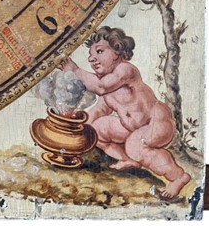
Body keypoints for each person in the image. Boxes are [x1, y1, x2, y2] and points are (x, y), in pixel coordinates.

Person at [63, 28, 189, 199]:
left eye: (99, 51)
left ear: (118, 51)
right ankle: (128, 159)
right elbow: (98, 111)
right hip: (133, 128)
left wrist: (75, 71)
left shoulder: (125, 70)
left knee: (135, 145)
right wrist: (79, 129)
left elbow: (101, 87)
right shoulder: (107, 90)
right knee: (96, 129)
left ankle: (178, 177)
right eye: (90, 55)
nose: (92, 59)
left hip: (156, 122)